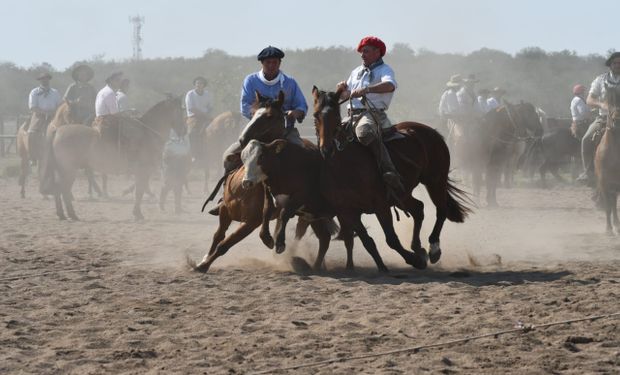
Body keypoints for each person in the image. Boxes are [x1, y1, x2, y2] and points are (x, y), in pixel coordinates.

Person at [208, 46, 308, 215]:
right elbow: (245, 105)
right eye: (268, 62)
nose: (272, 65)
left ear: (279, 63)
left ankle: (306, 198)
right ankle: (223, 198)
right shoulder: (251, 81)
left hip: (285, 132)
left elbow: (301, 105)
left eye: (275, 62)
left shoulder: (290, 83)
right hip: (256, 134)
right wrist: (261, 114)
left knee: (303, 156)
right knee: (228, 156)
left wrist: (295, 112)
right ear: (262, 63)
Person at [336, 36, 404, 193]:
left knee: (364, 132)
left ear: (377, 52)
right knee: (331, 133)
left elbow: (390, 86)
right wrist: (341, 90)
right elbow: (347, 95)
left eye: (365, 51)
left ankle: (389, 171)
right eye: (361, 51)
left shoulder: (385, 70)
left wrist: (368, 89)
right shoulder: (356, 72)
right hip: (351, 114)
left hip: (372, 114)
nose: (362, 54)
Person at [577, 52, 620, 184]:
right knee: (586, 139)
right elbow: (589, 99)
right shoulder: (600, 80)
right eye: (615, 63)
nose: (618, 65)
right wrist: (601, 104)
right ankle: (588, 172)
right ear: (610, 65)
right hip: (604, 118)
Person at [27, 72, 62, 163]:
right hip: (39, 116)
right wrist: (44, 113)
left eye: (46, 78)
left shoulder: (55, 92)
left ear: (49, 79)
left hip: (54, 116)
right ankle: (33, 157)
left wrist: (54, 113)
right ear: (40, 80)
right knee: (32, 132)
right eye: (42, 78)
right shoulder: (34, 92)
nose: (44, 80)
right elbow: (33, 107)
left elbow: (59, 105)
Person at [160, 125, 191, 214]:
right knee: (168, 186)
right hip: (171, 167)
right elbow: (166, 156)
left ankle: (177, 207)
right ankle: (161, 202)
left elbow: (186, 152)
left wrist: (187, 165)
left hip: (180, 167)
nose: (181, 131)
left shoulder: (184, 141)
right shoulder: (169, 143)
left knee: (179, 187)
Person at [185, 76, 212, 163]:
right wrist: (204, 114)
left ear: (204, 85)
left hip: (206, 117)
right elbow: (191, 108)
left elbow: (210, 107)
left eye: (201, 83)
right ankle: (194, 155)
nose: (199, 85)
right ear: (195, 85)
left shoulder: (207, 94)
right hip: (193, 117)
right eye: (197, 83)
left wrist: (208, 114)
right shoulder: (190, 94)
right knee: (192, 133)